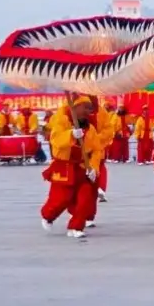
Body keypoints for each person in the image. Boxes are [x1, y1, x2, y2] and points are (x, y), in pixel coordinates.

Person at [39, 96, 103, 239]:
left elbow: (97, 150)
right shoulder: (61, 121)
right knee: (61, 199)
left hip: (82, 167)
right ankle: (48, 215)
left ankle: (76, 226)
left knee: (85, 198)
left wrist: (93, 168)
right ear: (75, 108)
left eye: (89, 108)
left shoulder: (90, 128)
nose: (88, 111)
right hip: (64, 166)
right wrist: (71, 134)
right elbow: (55, 140)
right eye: (85, 107)